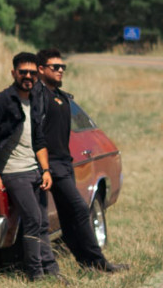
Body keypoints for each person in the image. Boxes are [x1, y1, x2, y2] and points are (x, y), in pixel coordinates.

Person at [35, 48, 128, 273]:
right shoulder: (38, 95)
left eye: (62, 67)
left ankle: (86, 263)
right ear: (41, 69)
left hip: (66, 163)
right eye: (54, 67)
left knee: (68, 217)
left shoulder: (61, 96)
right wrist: (45, 166)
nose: (60, 71)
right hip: (52, 165)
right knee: (79, 209)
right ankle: (98, 262)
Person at [0, 52, 63, 282]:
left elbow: (39, 140)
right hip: (13, 172)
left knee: (42, 221)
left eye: (32, 72)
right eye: (23, 72)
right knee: (34, 219)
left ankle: (51, 270)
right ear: (14, 73)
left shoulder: (35, 100)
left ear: (37, 74)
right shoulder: (3, 100)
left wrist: (46, 170)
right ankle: (36, 273)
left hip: (34, 169)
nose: (27, 76)